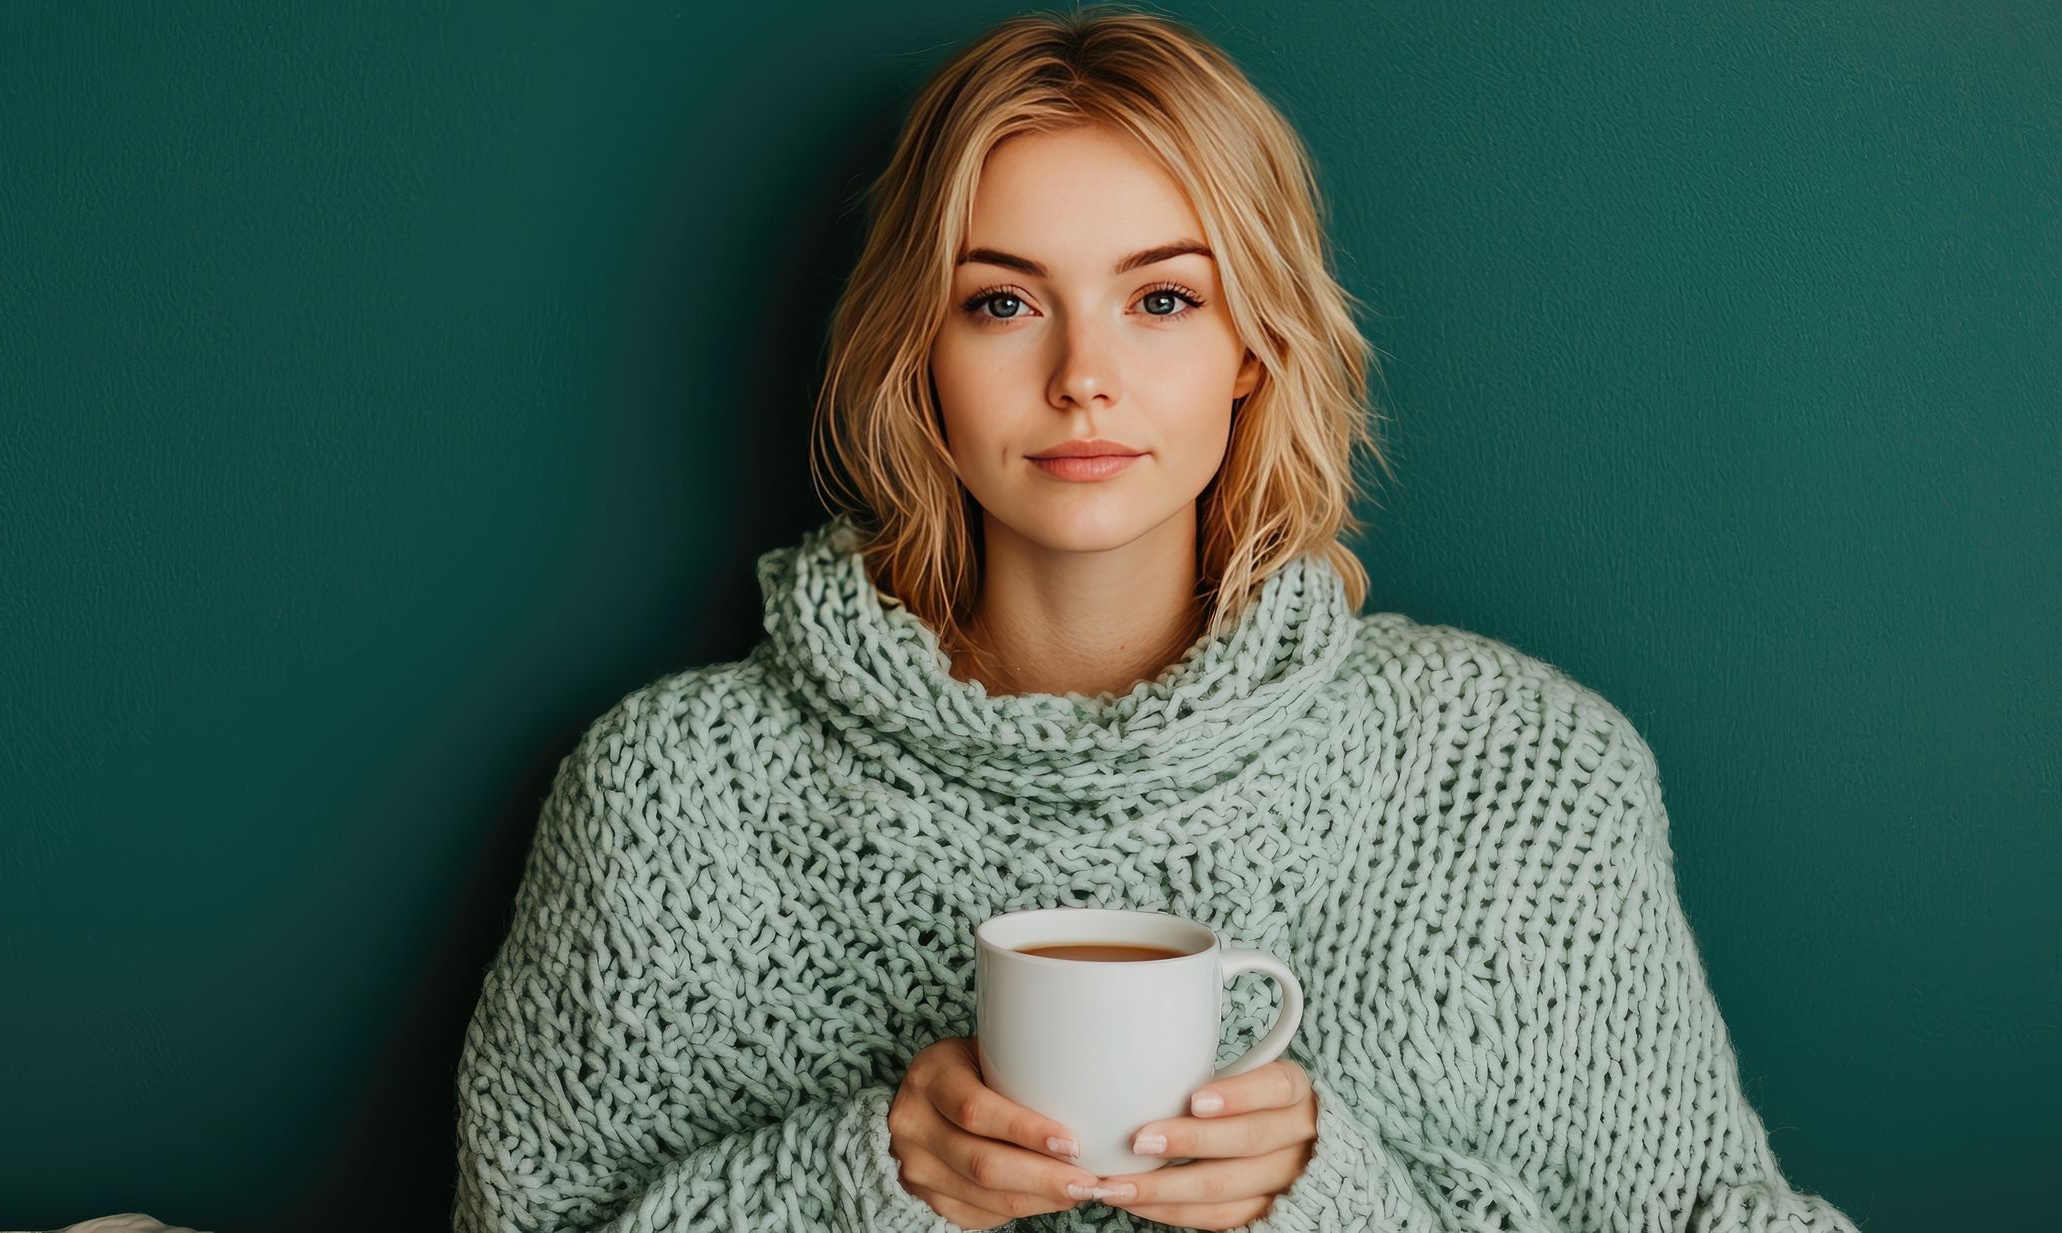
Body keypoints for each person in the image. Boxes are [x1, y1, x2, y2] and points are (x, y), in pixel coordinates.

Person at [451, 6, 1863, 1231]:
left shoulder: (1520, 774)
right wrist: (864, 1177)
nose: (1084, 378)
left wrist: (1324, 1193)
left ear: (1256, 345)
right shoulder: (672, 793)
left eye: (1163, 298)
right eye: (1003, 302)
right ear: (915, 355)